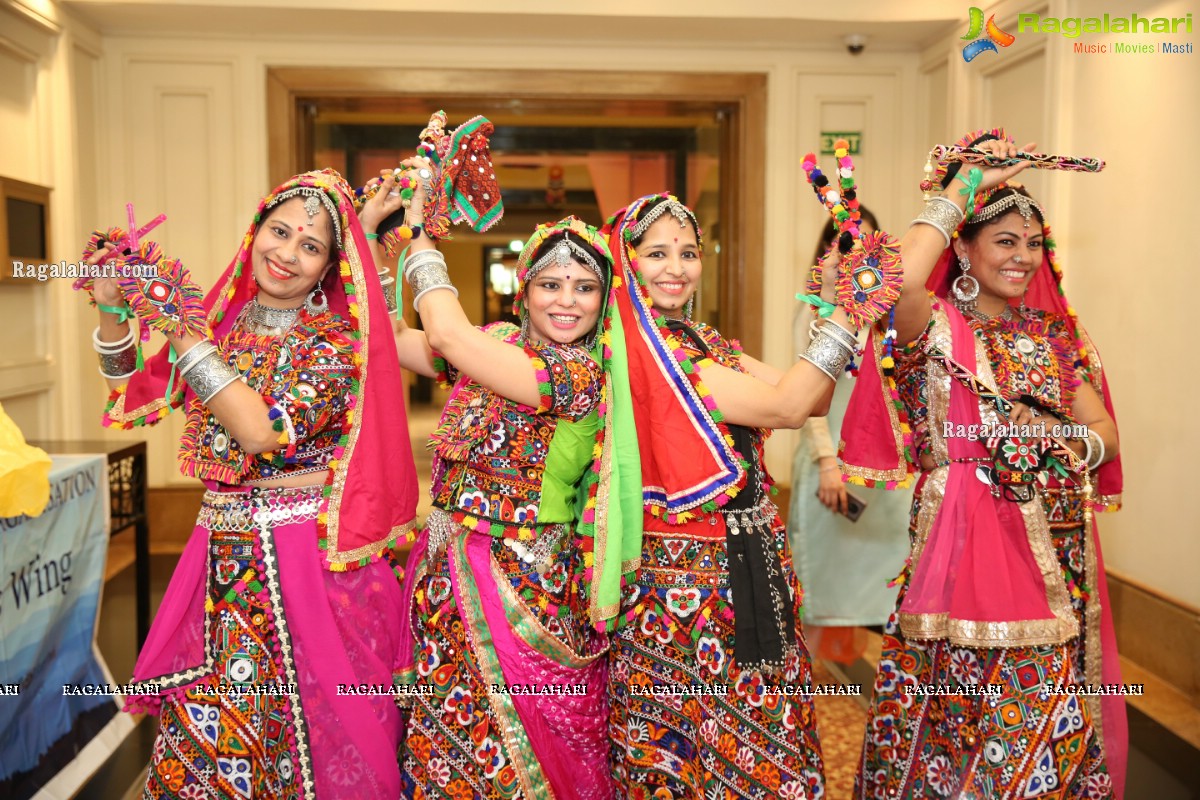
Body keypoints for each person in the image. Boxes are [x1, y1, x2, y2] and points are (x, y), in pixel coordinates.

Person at [84, 169, 420, 798]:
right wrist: (111, 304)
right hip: (219, 560)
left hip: (312, 567)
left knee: (324, 733)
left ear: (330, 266)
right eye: (280, 231)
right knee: (215, 738)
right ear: (255, 233)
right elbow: (129, 390)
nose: (288, 254)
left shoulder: (338, 342)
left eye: (311, 245)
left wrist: (178, 325)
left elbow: (261, 431)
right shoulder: (223, 325)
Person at [841, 133, 1125, 798]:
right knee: (953, 710)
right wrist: (960, 185)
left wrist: (1062, 443)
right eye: (1004, 241)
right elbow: (893, 279)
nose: (1023, 257)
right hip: (961, 549)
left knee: (1042, 718)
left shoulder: (1057, 338)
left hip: (1057, 558)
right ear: (963, 248)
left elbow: (1105, 433)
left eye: (1031, 243)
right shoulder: (931, 327)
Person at [374, 161, 628, 798]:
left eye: (583, 287)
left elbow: (448, 337)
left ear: (604, 301)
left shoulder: (580, 375)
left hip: (524, 579)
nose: (566, 301)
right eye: (550, 284)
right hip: (446, 564)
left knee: (525, 740)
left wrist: (419, 234)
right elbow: (394, 341)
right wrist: (383, 247)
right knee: (451, 728)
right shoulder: (497, 339)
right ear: (525, 290)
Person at [602, 193, 865, 798]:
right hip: (684, 591)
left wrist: (831, 306)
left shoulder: (703, 339)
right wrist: (850, 309)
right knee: (690, 745)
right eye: (656, 252)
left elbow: (814, 397)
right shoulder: (654, 355)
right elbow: (787, 405)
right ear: (627, 262)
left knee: (757, 739)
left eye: (688, 253)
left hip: (749, 565)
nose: (676, 267)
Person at [788, 207, 911, 653]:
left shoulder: (895, 312)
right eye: (847, 244)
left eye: (869, 243)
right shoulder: (816, 313)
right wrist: (826, 462)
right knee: (827, 590)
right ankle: (823, 698)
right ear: (829, 252)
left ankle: (884, 699)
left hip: (886, 475)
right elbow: (806, 398)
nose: (859, 253)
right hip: (833, 467)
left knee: (889, 590)